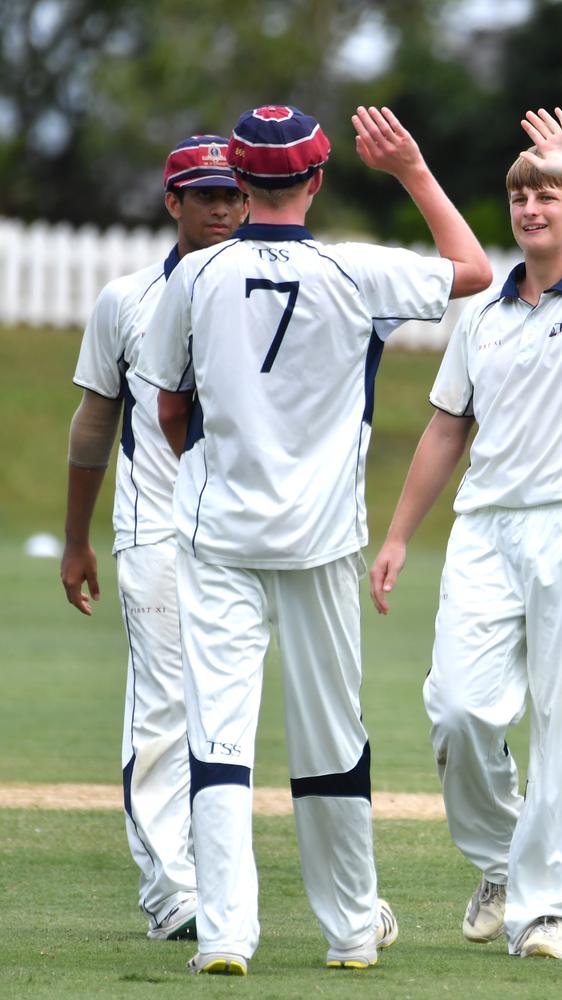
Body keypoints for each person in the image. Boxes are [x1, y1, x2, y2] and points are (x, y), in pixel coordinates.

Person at [134, 103, 491, 976]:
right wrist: (409, 168)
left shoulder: (196, 274)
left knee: (217, 738)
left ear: (241, 180)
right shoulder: (357, 269)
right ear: (318, 179)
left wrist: (219, 478)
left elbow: (171, 405)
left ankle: (224, 936)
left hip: (218, 535)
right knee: (332, 736)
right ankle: (348, 934)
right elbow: (473, 269)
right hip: (325, 539)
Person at [370, 107, 562, 961]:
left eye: (551, 194)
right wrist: (396, 536)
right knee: (455, 709)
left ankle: (544, 911)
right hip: (486, 529)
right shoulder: (484, 316)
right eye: (523, 194)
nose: (532, 207)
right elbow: (448, 429)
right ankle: (499, 859)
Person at [60, 135, 249, 940]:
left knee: (236, 718)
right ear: (172, 202)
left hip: (250, 536)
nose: (220, 209)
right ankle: (172, 890)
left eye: (232, 194)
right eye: (204, 195)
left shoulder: (273, 291)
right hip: (156, 530)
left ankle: (231, 885)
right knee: (166, 710)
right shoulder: (126, 299)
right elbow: (95, 418)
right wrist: (75, 539)